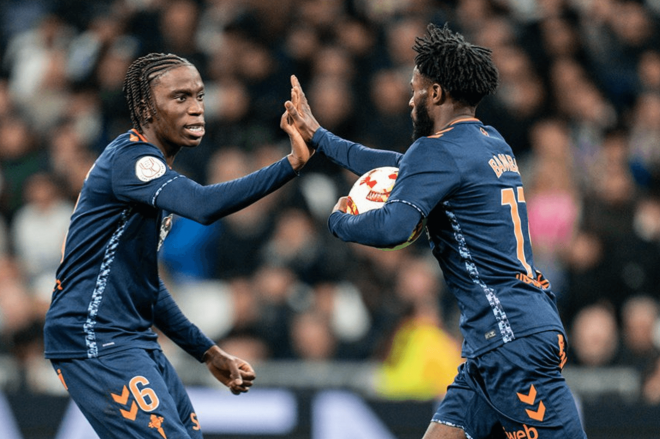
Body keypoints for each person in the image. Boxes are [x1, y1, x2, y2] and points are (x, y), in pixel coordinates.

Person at [285, 24, 587, 439]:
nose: (411, 99)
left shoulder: (437, 151)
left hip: (508, 339)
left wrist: (340, 221)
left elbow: (394, 226)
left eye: (415, 89)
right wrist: (318, 136)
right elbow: (396, 164)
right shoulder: (490, 141)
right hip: (500, 336)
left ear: (436, 93)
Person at [43, 53, 312, 439]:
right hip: (91, 336)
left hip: (131, 337)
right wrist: (289, 164)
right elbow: (203, 206)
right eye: (180, 98)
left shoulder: (153, 177)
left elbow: (145, 284)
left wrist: (207, 352)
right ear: (146, 108)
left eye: (199, 97)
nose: (196, 109)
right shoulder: (131, 161)